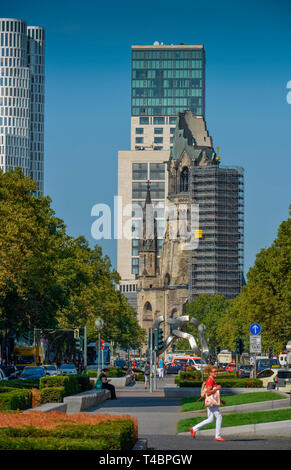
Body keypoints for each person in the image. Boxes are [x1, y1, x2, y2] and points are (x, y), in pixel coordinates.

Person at [190, 365, 226, 442]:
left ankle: (194, 429)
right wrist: (217, 388)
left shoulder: (212, 379)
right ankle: (217, 436)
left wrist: (221, 400)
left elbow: (212, 394)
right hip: (211, 402)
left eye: (217, 371)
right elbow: (209, 393)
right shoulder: (210, 380)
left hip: (210, 401)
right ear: (210, 372)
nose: (216, 373)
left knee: (210, 419)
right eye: (214, 372)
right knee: (219, 416)